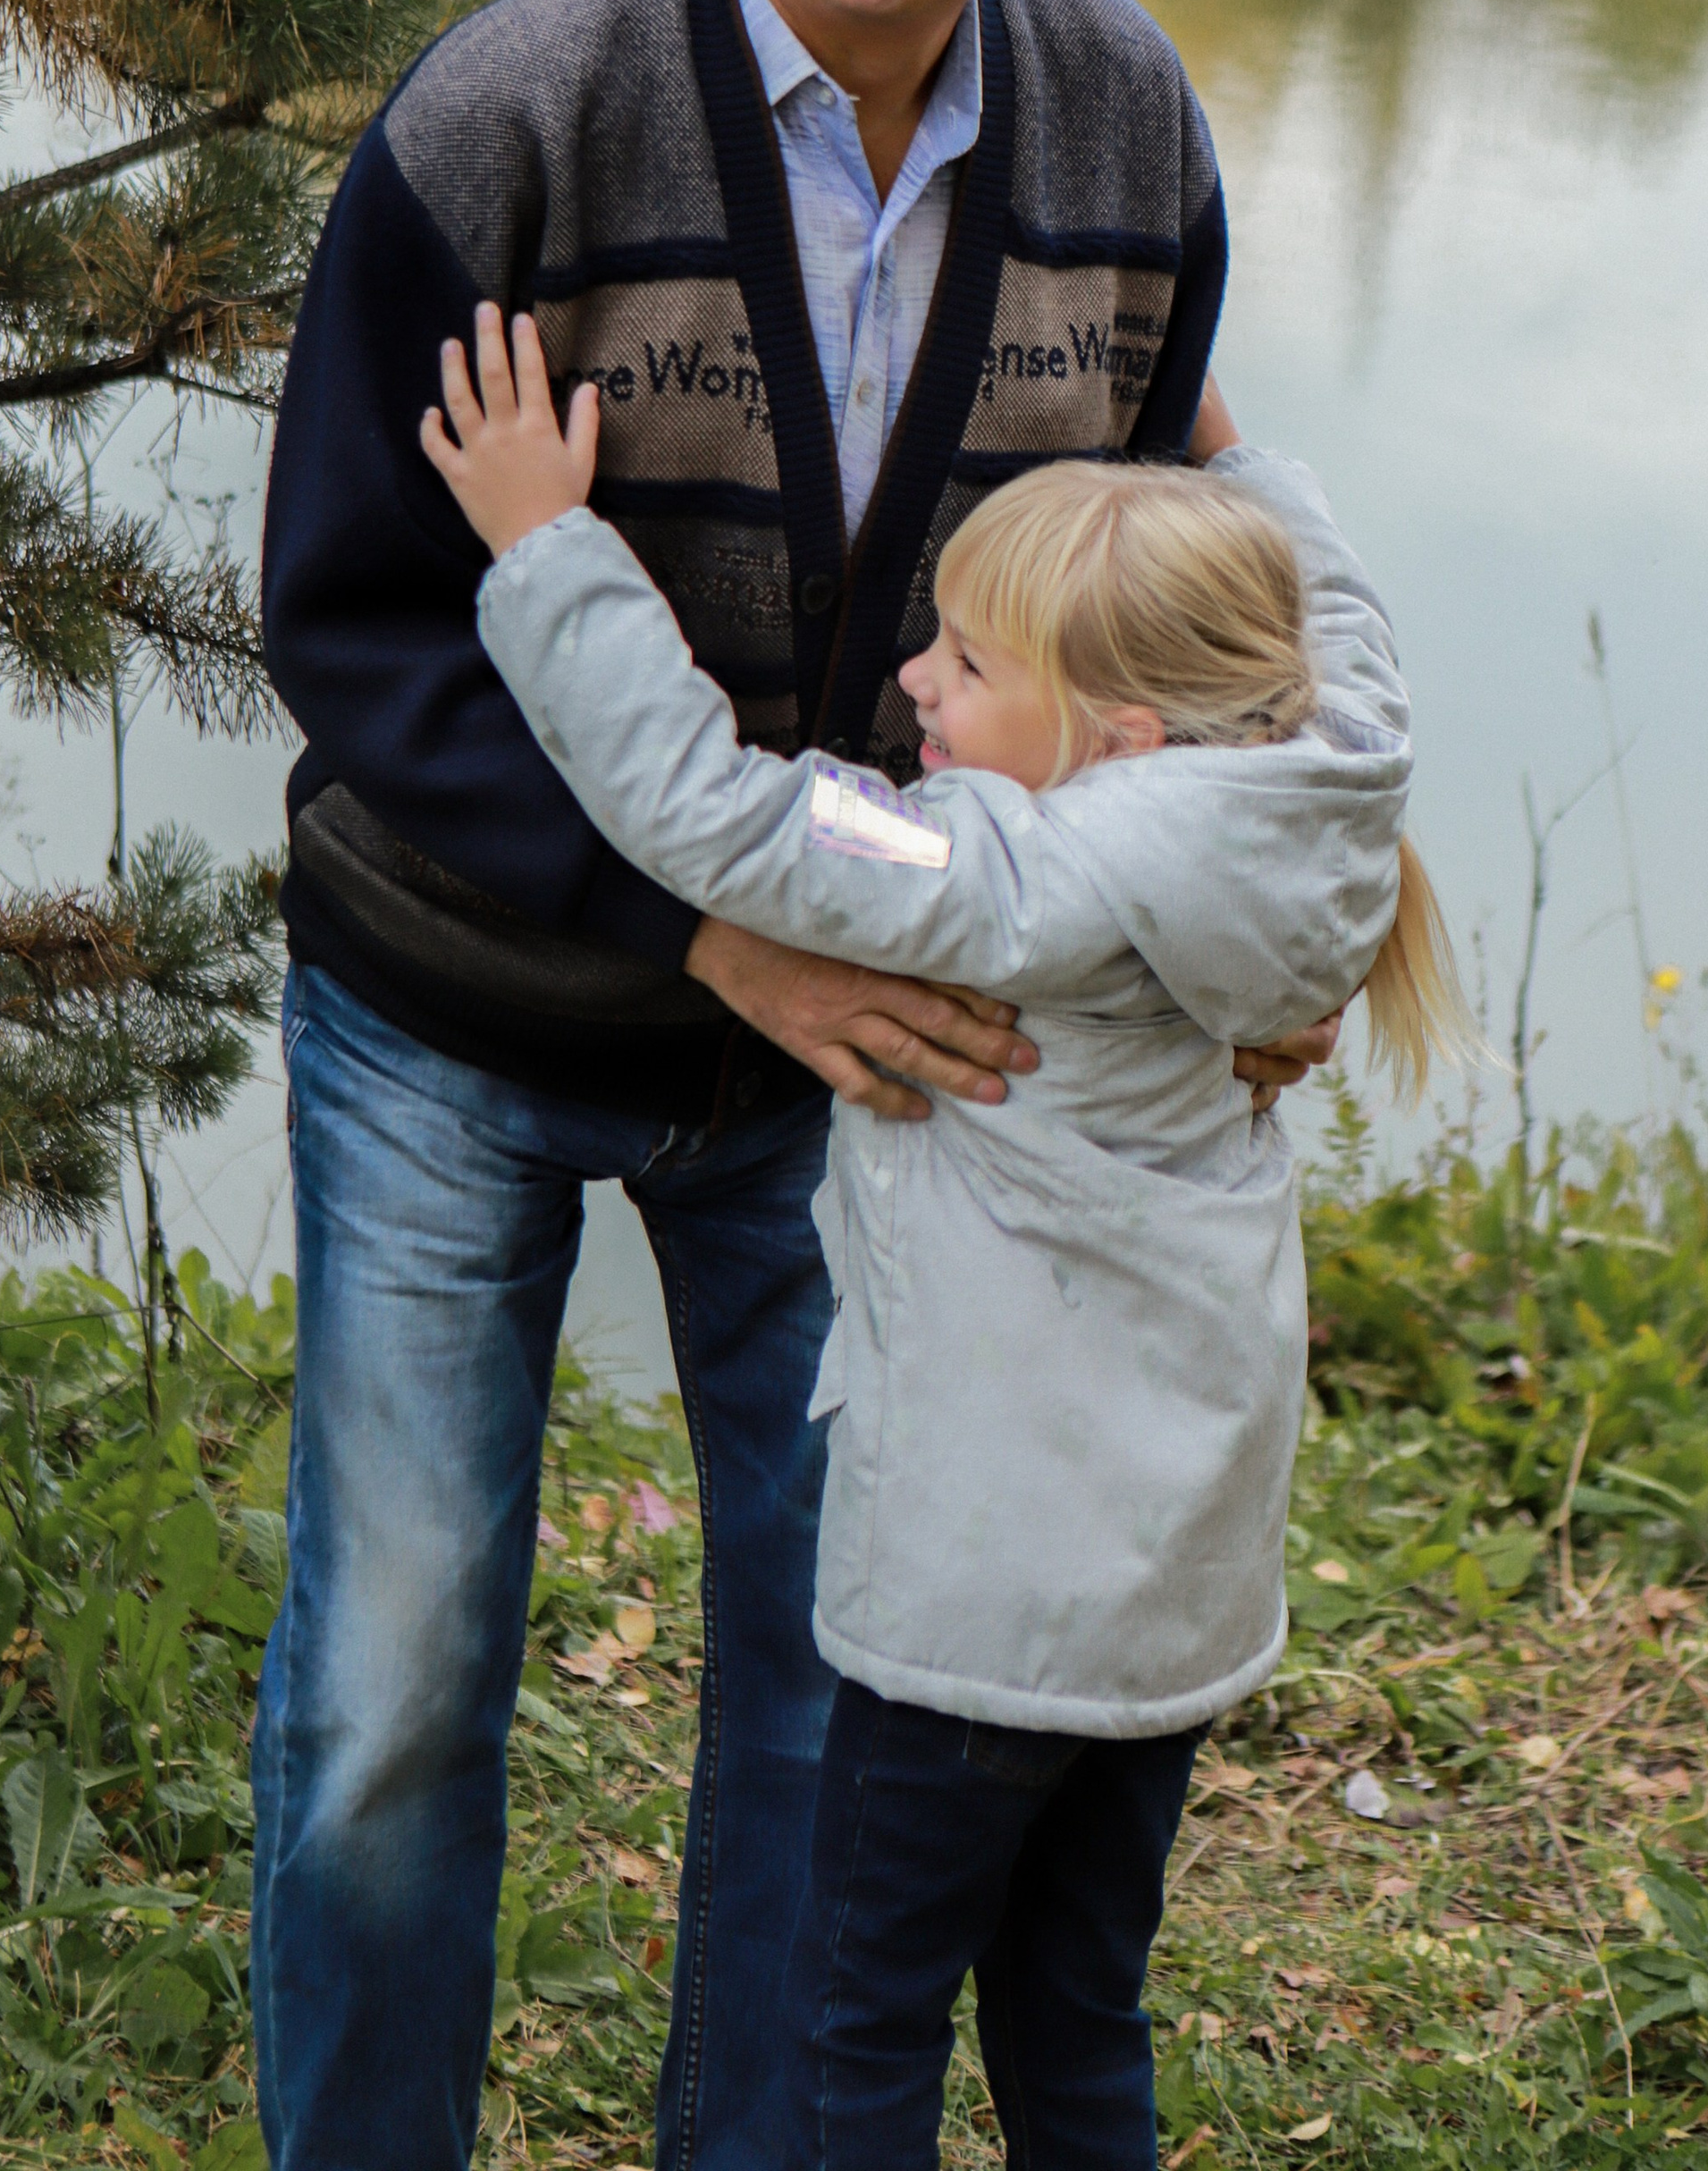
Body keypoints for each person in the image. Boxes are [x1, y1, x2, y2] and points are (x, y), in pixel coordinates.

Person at [251, 0, 1341, 2171]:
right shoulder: (510, 115)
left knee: (837, 1683)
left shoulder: (1128, 127)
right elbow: (355, 627)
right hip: (459, 1005)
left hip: (871, 1062)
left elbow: (1164, 624)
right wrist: (700, 918)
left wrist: (1240, 925)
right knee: (397, 1681)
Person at [416, 307, 1469, 2169]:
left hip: (980, 1616)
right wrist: (1216, 440)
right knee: (1074, 2021)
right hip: (1165, 1621)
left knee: (856, 2020)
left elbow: (716, 817)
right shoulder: (1334, 768)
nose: (911, 681)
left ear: (1114, 741)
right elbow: (1340, 603)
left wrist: (543, 547)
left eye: (964, 665)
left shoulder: (1014, 878)